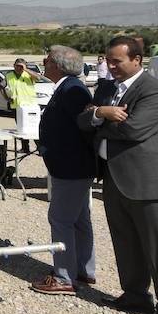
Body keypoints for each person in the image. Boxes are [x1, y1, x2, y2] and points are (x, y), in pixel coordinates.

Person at [79, 36, 158, 314]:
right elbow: (82, 121)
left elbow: (133, 129)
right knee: (125, 242)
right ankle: (135, 295)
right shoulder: (110, 91)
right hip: (117, 179)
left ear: (137, 60)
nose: (111, 66)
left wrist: (98, 122)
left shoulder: (155, 92)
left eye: (117, 61)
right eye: (108, 60)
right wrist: (101, 113)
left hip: (151, 183)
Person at [29, 46, 97, 295]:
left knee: (61, 219)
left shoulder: (72, 90)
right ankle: (83, 269)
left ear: (57, 65)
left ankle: (64, 276)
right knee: (79, 219)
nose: (44, 64)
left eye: (46, 61)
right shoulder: (69, 87)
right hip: (71, 165)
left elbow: (84, 127)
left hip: (71, 167)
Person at [4, 57, 39, 154]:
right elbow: (2, 86)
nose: (18, 68)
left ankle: (40, 148)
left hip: (29, 106)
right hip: (17, 106)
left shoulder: (28, 74)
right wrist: (7, 98)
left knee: (34, 127)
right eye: (16, 66)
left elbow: (38, 78)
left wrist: (26, 69)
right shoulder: (9, 75)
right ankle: (25, 148)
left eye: (21, 66)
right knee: (21, 128)